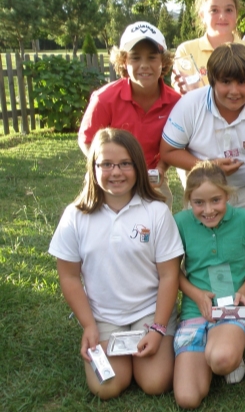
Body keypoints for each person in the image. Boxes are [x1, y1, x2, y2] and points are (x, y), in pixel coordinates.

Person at [49, 128, 183, 399]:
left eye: (125, 164)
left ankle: (157, 343)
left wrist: (158, 328)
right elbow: (70, 277)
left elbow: (169, 275)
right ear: (93, 167)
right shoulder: (75, 216)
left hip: (150, 313)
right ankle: (121, 357)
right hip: (103, 318)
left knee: (155, 383)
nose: (116, 172)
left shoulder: (156, 211)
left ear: (138, 166)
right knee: (107, 387)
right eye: (106, 164)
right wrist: (89, 325)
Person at [172, 161, 245, 408]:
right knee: (187, 399)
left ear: (227, 195)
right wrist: (196, 294)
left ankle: (227, 350)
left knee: (222, 360)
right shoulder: (180, 223)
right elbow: (173, 271)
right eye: (198, 203)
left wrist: (244, 290)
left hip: (232, 305)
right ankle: (210, 349)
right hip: (196, 310)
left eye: (216, 200)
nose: (208, 210)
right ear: (189, 200)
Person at [161, 43, 245, 225]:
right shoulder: (190, 104)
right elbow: (168, 151)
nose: (234, 91)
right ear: (212, 80)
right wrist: (207, 166)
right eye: (226, 82)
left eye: (242, 82)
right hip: (204, 186)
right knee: (198, 248)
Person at [78, 22, 180, 207]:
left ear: (163, 62)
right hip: (111, 178)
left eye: (152, 58)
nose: (144, 65)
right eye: (135, 58)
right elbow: (86, 140)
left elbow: (173, 146)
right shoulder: (105, 98)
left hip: (151, 178)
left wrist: (161, 169)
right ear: (123, 61)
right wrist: (108, 168)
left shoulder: (176, 102)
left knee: (160, 222)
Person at [174, 0, 245, 94]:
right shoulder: (186, 50)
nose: (222, 16)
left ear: (237, 14)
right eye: (214, 10)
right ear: (202, 16)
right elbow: (186, 93)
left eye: (229, 10)